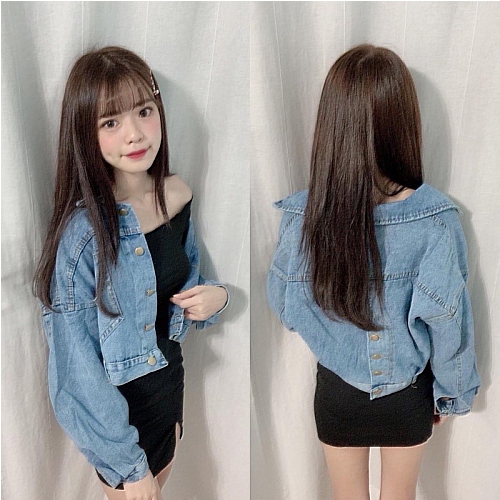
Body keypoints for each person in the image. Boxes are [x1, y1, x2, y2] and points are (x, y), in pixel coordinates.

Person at [267, 44, 480, 500]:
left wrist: (336, 338)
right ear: (403, 122)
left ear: (332, 124)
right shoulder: (435, 219)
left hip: (337, 394)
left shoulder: (304, 217)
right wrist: (451, 393)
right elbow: (449, 322)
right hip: (408, 395)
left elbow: (285, 306)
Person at [33, 46, 228, 500]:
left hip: (170, 394)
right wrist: (127, 465)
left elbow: (182, 285)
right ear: (86, 133)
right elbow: (75, 371)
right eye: (110, 123)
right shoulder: (84, 236)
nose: (135, 134)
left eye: (144, 111)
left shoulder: (176, 195)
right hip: (123, 424)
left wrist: (216, 297)